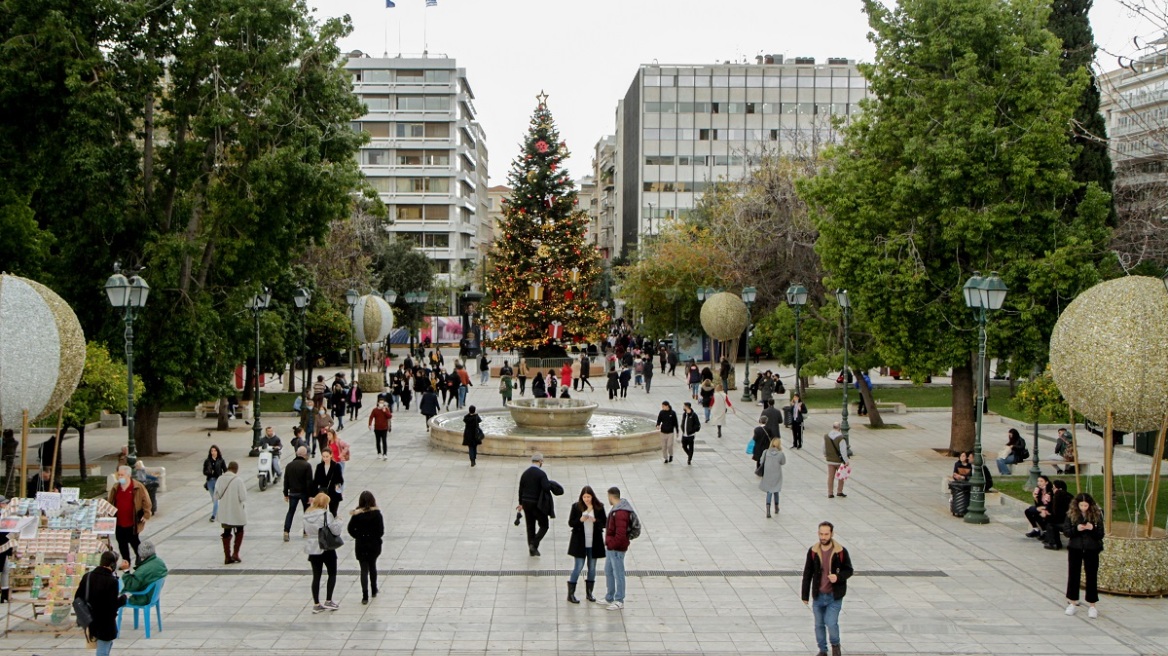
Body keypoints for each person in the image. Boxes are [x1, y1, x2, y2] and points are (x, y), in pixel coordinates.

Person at [800, 521, 854, 656]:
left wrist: (838, 576)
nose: (823, 537)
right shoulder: (813, 551)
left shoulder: (840, 551)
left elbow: (849, 570)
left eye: (826, 534)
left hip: (834, 596)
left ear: (832, 534)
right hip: (818, 595)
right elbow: (807, 573)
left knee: (830, 622)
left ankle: (835, 646)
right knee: (819, 624)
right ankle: (822, 650)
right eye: (821, 534)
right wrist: (805, 595)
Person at [74, 551, 127, 656]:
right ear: (112, 564)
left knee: (105, 647)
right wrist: (122, 599)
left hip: (90, 620)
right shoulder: (111, 581)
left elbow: (78, 598)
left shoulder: (87, 577)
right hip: (105, 623)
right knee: (103, 651)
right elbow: (112, 606)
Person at [1063, 492, 1104, 618]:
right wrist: (1077, 529)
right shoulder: (1071, 514)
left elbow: (1101, 534)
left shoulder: (1096, 515)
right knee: (1073, 575)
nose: (1083, 508)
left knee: (1091, 576)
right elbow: (1066, 531)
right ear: (1077, 505)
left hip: (1091, 548)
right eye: (1081, 505)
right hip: (1076, 547)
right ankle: (1072, 602)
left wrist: (1092, 529)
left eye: (1086, 506)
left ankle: (1092, 605)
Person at [304, 492, 344, 613]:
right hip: (326, 547)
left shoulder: (307, 514)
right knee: (332, 573)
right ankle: (328, 600)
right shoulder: (326, 515)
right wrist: (339, 521)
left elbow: (306, 530)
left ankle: (316, 603)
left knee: (316, 576)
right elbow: (335, 531)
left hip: (312, 548)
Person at [566, 485, 606, 604]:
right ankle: (571, 593)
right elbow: (571, 523)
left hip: (594, 542)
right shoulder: (576, 507)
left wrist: (595, 521)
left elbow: (604, 522)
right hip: (580, 542)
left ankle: (589, 593)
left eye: (588, 496)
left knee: (592, 568)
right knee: (578, 566)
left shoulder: (599, 507)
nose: (587, 499)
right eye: (584, 497)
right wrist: (580, 520)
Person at [107, 465, 152, 569]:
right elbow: (111, 502)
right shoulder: (116, 487)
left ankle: (140, 557)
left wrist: (146, 514)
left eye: (122, 475)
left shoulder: (138, 487)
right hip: (119, 522)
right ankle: (126, 561)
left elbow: (147, 501)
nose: (119, 477)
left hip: (132, 522)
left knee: (134, 541)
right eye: (118, 474)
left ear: (128, 475)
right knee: (121, 542)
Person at [347, 491, 385, 605]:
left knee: (364, 569)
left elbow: (350, 529)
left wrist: (358, 536)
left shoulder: (357, 515)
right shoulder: (377, 514)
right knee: (372, 565)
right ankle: (374, 589)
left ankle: (365, 595)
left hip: (361, 544)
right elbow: (381, 531)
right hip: (373, 544)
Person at [603, 486, 635, 611]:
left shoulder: (621, 512)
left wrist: (612, 544)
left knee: (618, 573)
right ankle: (609, 596)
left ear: (611, 496)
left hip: (616, 548)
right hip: (612, 547)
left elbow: (621, 534)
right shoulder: (617, 509)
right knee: (608, 571)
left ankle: (619, 599)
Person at [517, 453, 555, 556]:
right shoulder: (541, 474)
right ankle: (534, 544)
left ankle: (532, 549)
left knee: (530, 526)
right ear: (540, 461)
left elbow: (521, 489)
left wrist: (520, 503)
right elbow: (546, 488)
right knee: (544, 525)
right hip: (537, 503)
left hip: (526, 503)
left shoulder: (525, 473)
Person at [214, 461, 247, 565]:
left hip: (224, 512)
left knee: (226, 532)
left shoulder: (220, 479)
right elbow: (243, 497)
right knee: (240, 530)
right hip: (236, 510)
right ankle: (236, 553)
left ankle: (227, 557)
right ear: (236, 469)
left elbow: (216, 496)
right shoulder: (238, 480)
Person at [120, 540, 168, 605]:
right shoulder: (160, 562)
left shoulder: (143, 570)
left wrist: (126, 571)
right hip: (154, 595)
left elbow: (130, 586)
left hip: (143, 598)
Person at [283, 446, 314, 542]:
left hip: (293, 492)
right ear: (305, 455)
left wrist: (285, 493)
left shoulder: (289, 465)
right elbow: (309, 482)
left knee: (291, 512)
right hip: (304, 493)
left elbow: (286, 480)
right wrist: (311, 495)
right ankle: (305, 531)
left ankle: (286, 531)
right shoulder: (307, 465)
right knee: (307, 511)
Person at [759, 438, 787, 517]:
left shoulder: (766, 452)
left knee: (769, 491)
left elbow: (761, 461)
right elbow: (783, 462)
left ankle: (768, 510)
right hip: (777, 474)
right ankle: (776, 507)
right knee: (776, 490)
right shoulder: (780, 454)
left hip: (768, 474)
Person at [314, 449, 344, 517]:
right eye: (323, 456)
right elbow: (315, 481)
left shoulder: (336, 466)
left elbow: (340, 480)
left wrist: (337, 485)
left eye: (327, 456)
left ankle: (332, 526)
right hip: (323, 493)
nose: (325, 458)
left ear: (331, 455)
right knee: (321, 513)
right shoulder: (319, 466)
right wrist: (314, 495)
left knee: (333, 513)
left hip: (333, 492)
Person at [1044, 479, 1073, 550]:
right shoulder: (1069, 496)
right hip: (1070, 522)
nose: (1052, 490)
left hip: (1068, 523)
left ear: (1059, 489)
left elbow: (1057, 514)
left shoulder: (1059, 496)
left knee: (1050, 524)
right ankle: (1055, 542)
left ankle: (1054, 543)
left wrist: (1048, 504)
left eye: (1054, 488)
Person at [824, 422, 849, 499]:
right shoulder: (841, 437)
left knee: (830, 477)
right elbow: (843, 450)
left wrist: (826, 454)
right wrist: (846, 461)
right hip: (839, 461)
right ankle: (839, 491)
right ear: (839, 428)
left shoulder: (826, 436)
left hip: (830, 460)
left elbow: (823, 447)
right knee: (841, 476)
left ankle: (830, 492)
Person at [1024, 475, 1053, 539]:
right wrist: (1035, 497)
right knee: (1028, 511)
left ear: (1046, 482)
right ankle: (1036, 529)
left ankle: (1045, 531)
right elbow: (1038, 505)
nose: (1039, 483)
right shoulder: (1039, 490)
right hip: (1041, 508)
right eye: (1038, 481)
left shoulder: (1050, 491)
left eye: (1041, 481)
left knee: (1033, 511)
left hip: (1049, 509)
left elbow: (1051, 503)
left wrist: (1044, 509)